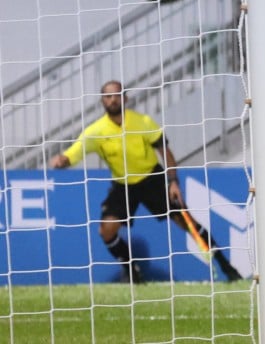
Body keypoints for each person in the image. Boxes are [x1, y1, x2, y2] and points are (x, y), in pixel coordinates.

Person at [49, 80, 244, 283]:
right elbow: (73, 153)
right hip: (123, 185)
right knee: (106, 230)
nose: (113, 100)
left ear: (125, 99)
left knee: (188, 223)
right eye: (108, 96)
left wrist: (173, 182)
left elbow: (165, 152)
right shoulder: (95, 131)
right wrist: (62, 160)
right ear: (102, 101)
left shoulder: (142, 122)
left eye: (117, 95)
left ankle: (228, 268)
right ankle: (132, 272)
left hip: (152, 178)